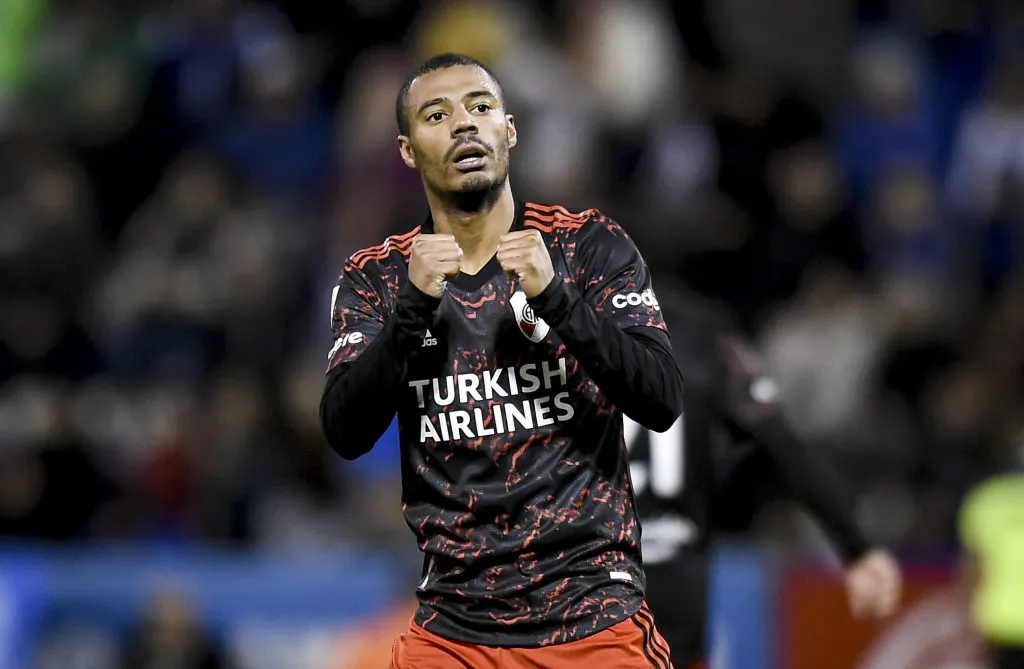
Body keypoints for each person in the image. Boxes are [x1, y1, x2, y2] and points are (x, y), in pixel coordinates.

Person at [319, 53, 685, 669]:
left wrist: (559, 300)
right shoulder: (379, 277)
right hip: (454, 631)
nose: (464, 125)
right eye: (438, 114)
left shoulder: (585, 245)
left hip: (593, 621)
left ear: (508, 132)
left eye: (480, 108)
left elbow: (661, 399)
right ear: (408, 152)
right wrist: (412, 310)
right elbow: (345, 432)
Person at [626, 281, 903, 669]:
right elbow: (783, 444)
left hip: (585, 577)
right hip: (678, 575)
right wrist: (857, 548)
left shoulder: (553, 330)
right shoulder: (702, 337)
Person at [958, 470, 1024, 669]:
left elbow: (972, 566)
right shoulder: (983, 499)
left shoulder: (985, 499)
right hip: (1000, 622)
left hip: (999, 619)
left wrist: (967, 611)